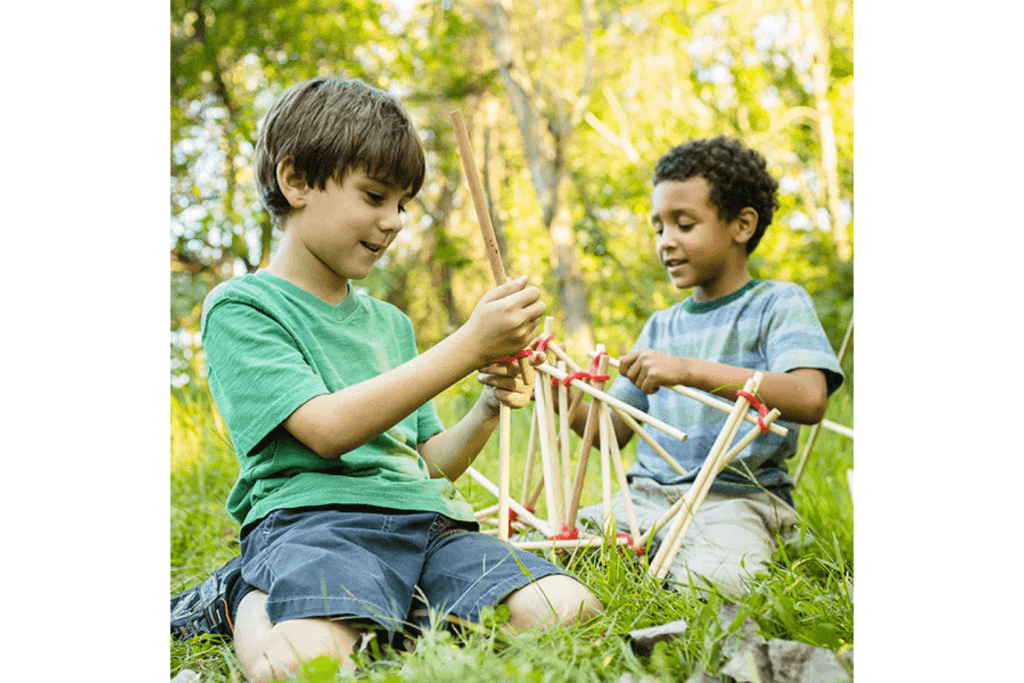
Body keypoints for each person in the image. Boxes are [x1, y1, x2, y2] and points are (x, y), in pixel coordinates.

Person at [170, 76, 602, 683]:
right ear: (295, 181)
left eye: (402, 204)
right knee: (303, 666)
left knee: (568, 611)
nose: (394, 221)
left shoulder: (391, 324)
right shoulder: (243, 307)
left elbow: (429, 464)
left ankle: (384, 614)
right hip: (317, 525)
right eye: (375, 196)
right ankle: (244, 594)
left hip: (429, 527)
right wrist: (468, 345)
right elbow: (326, 430)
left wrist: (486, 404)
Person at [570, 136, 844, 596]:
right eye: (659, 228)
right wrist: (559, 395)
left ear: (742, 225)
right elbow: (610, 432)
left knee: (719, 585)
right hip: (646, 499)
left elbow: (809, 397)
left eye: (684, 224)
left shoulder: (778, 304)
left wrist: (689, 370)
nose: (666, 241)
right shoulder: (660, 327)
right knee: (558, 550)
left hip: (737, 501)